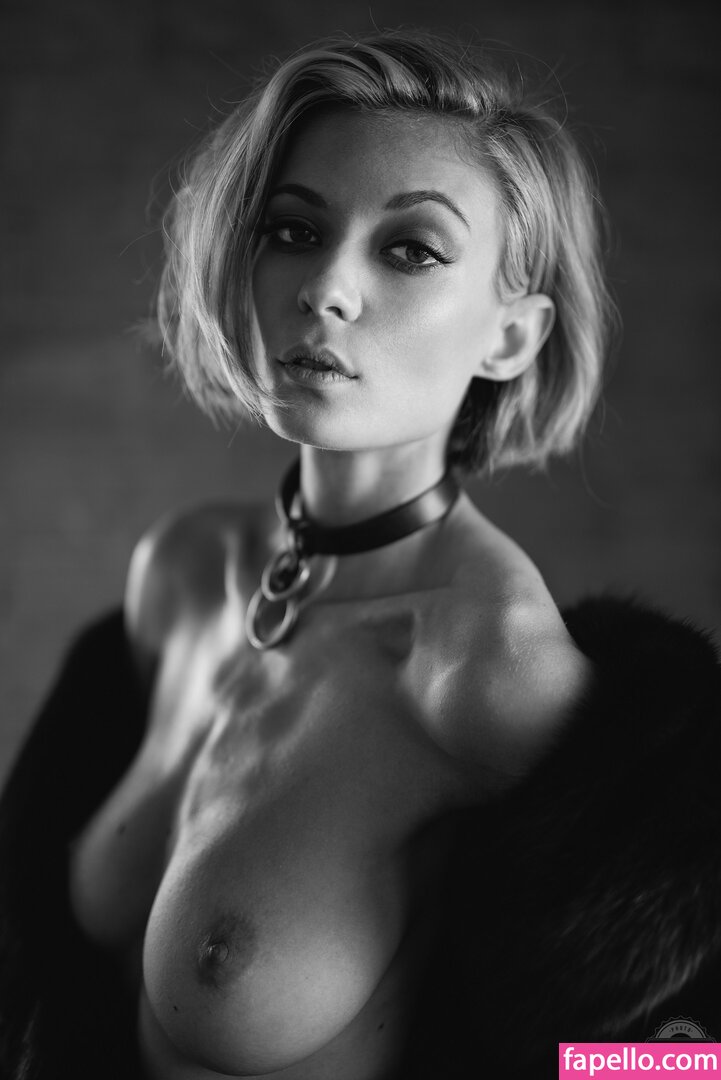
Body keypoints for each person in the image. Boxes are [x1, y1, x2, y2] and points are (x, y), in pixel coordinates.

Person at [1, 28, 719, 1080]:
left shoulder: (486, 667)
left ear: (510, 338)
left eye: (410, 249)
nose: (325, 287)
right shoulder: (184, 574)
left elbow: (687, 1059)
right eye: (293, 230)